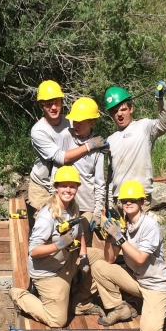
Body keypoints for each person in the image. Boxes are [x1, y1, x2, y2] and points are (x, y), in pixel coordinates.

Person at [11, 166, 96, 327]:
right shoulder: (47, 216)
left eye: (72, 186)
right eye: (64, 186)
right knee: (58, 320)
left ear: (77, 188)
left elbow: (80, 233)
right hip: (47, 272)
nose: (68, 190)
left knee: (98, 258)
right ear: (56, 188)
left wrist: (84, 257)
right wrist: (59, 244)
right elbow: (33, 251)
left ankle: (80, 302)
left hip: (66, 261)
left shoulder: (73, 208)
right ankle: (19, 295)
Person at [91, 180, 166, 331]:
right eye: (124, 201)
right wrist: (109, 237)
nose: (128, 203)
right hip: (136, 280)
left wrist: (119, 237)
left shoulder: (150, 226)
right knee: (99, 266)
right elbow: (109, 260)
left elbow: (140, 258)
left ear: (141, 202)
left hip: (155, 286)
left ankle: (150, 305)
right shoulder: (122, 225)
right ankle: (119, 307)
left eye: (133, 200)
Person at [28, 80, 107, 215]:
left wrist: (98, 147)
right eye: (48, 104)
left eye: (56, 102)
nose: (53, 107)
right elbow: (61, 158)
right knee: (43, 224)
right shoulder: (39, 131)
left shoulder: (71, 122)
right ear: (41, 105)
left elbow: (85, 130)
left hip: (64, 186)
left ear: (61, 102)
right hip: (42, 186)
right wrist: (90, 145)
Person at [103, 80, 166, 208]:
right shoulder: (110, 140)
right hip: (119, 200)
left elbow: (165, 124)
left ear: (131, 109)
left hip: (139, 197)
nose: (119, 114)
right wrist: (109, 204)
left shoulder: (144, 127)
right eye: (115, 111)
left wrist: (160, 99)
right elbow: (110, 176)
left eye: (123, 109)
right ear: (111, 115)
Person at [63, 96, 106, 244]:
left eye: (81, 122)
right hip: (66, 202)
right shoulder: (66, 137)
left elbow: (100, 182)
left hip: (86, 206)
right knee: (64, 243)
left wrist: (97, 212)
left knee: (83, 246)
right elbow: (57, 166)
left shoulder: (98, 147)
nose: (76, 124)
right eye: (74, 120)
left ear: (92, 122)